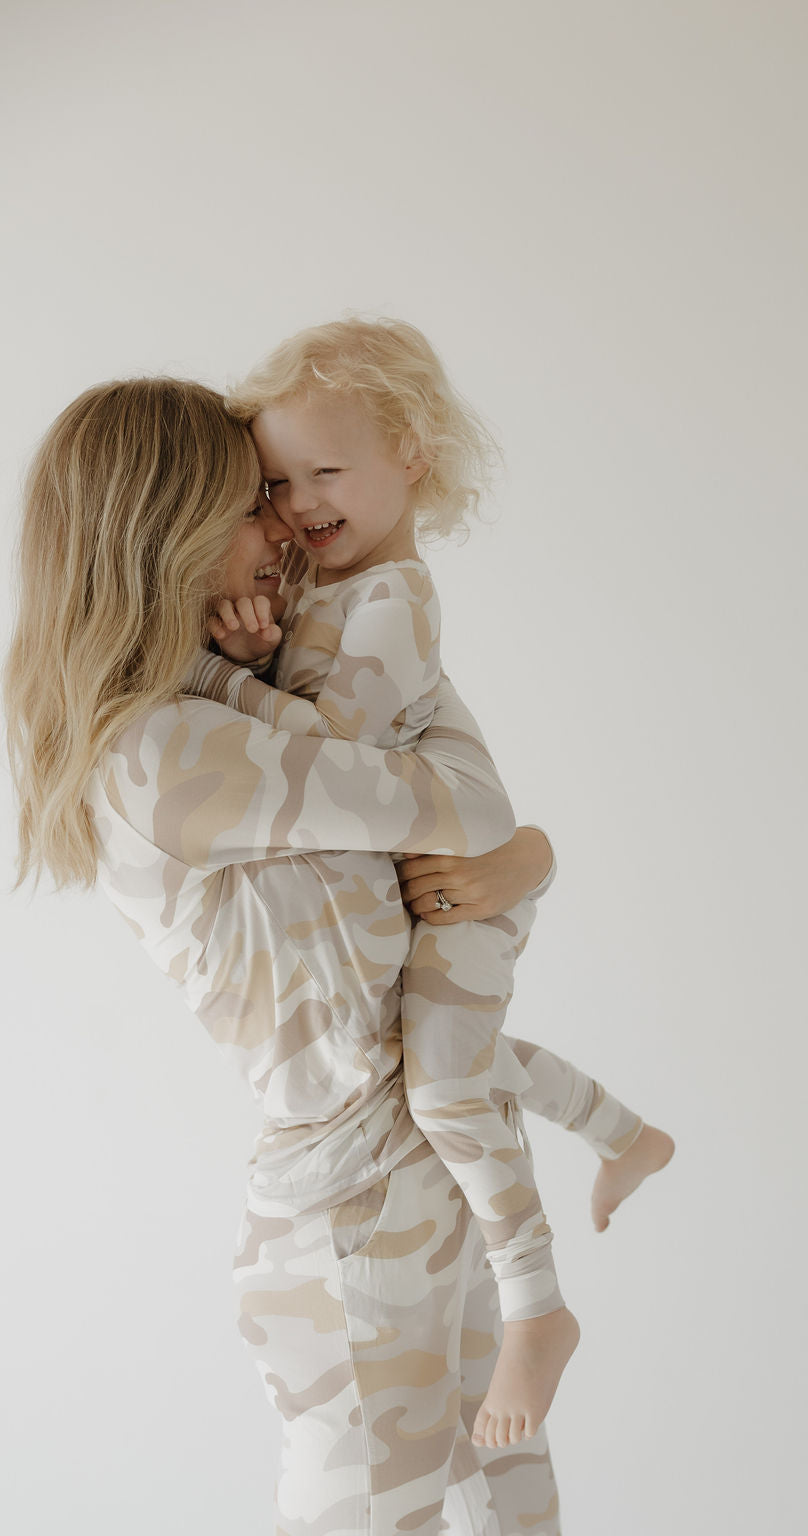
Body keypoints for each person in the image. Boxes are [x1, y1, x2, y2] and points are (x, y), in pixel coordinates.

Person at [4, 376, 669, 1535]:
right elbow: (456, 808)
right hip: (358, 1216)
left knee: (511, 1507)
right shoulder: (164, 751)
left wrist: (519, 863)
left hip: (417, 1175)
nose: (282, 529)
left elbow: (438, 853)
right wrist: (528, 851)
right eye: (248, 503)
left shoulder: (238, 705)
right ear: (162, 530)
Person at [185, 317, 674, 1450]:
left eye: (327, 470)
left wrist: (219, 674)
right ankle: (624, 1135)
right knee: (443, 1067)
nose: (300, 501)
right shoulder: (326, 583)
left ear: (412, 452)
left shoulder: (391, 597)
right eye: (276, 480)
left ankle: (536, 1309)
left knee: (446, 1091)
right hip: (462, 872)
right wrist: (256, 646)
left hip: (466, 884)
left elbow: (334, 761)